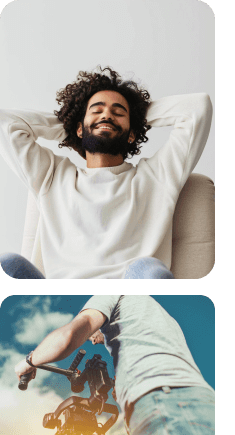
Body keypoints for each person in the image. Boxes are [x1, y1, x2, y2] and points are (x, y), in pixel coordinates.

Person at [0, 67, 212, 278]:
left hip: (129, 295)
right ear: (79, 128)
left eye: (118, 112)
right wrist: (72, 122)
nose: (107, 115)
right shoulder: (52, 176)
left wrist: (133, 117)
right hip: (59, 299)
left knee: (149, 270)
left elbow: (197, 107)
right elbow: (5, 122)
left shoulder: (157, 176)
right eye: (97, 110)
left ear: (132, 136)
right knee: (7, 263)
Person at [15, 295, 215, 435]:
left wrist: (30, 361)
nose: (92, 340)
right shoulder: (155, 320)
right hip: (203, 402)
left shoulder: (112, 292)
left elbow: (70, 336)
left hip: (164, 402)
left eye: (92, 335)